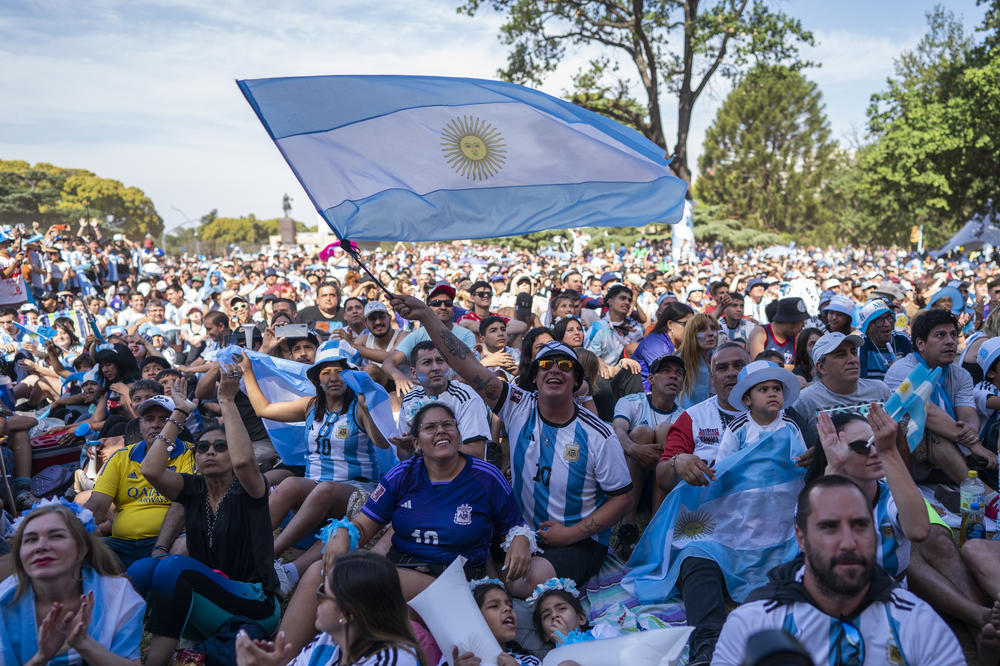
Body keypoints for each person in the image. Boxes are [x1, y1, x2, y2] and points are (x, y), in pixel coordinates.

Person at [390, 292, 632, 592]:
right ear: (535, 375)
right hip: (514, 529)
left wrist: (571, 534)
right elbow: (466, 364)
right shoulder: (518, 404)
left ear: (576, 381)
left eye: (565, 366)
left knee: (517, 585)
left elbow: (623, 498)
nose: (554, 369)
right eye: (546, 365)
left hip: (576, 541)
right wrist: (427, 316)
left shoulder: (599, 434)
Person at [711, 476, 963, 666]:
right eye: (829, 527)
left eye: (860, 525)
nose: (848, 543)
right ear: (801, 538)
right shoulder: (752, 625)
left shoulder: (918, 622)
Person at [132, 369, 282, 666]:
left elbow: (243, 460)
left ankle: (156, 661)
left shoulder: (248, 489)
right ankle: (118, 648)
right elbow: (150, 470)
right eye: (202, 448)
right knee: (141, 570)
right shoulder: (193, 488)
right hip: (207, 600)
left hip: (254, 605)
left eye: (220, 446)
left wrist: (226, 398)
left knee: (174, 567)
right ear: (196, 459)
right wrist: (179, 413)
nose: (210, 452)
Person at [241, 343, 391, 575]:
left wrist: (367, 409)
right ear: (317, 380)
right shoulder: (310, 405)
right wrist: (248, 372)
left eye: (340, 372)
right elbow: (263, 409)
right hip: (316, 488)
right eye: (325, 372)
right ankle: (243, 546)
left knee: (325, 490)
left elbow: (382, 444)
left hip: (357, 491)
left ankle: (265, 556)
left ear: (351, 375)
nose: (333, 378)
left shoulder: (358, 407)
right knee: (290, 483)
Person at [0, 499, 145, 665]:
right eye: (30, 539)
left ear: (82, 548)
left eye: (56, 536)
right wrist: (41, 658)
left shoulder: (117, 596)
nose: (40, 546)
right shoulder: (3, 601)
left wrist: (85, 645)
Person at [236, 552, 423, 666]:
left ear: (348, 613)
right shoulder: (330, 640)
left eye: (324, 592)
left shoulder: (393, 661)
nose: (316, 597)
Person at [810, 406, 930, 582]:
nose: (874, 453)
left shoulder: (893, 495)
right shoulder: (812, 500)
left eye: (876, 443)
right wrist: (834, 467)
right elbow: (822, 545)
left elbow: (919, 531)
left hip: (888, 601)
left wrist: (889, 452)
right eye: (861, 447)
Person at [884, 309, 998, 483]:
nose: (950, 341)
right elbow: (927, 413)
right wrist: (973, 444)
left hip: (952, 448)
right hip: (909, 454)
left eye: (953, 335)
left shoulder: (960, 375)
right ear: (920, 344)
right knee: (928, 429)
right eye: (940, 335)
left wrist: (971, 430)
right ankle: (984, 494)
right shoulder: (902, 370)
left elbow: (967, 413)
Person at [83, 394, 195, 568]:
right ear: (140, 425)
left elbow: (184, 504)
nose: (156, 425)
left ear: (177, 425)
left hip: (171, 541)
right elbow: (97, 505)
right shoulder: (121, 457)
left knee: (187, 544)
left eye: (165, 419)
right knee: (80, 552)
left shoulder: (190, 454)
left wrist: (160, 547)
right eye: (149, 419)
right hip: (120, 544)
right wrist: (72, 533)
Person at [612, 353, 684, 556]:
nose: (673, 376)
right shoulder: (632, 401)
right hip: (630, 481)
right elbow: (617, 430)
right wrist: (635, 449)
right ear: (651, 378)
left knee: (665, 430)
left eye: (679, 373)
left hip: (664, 484)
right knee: (641, 433)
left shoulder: (683, 416)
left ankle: (656, 525)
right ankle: (628, 525)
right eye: (666, 371)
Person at [656, 343, 749, 494]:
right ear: (712, 378)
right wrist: (677, 462)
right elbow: (662, 479)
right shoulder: (692, 418)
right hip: (708, 512)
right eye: (722, 368)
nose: (731, 373)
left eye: (738, 365)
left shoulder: (780, 414)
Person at [397, 341, 492, 459]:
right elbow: (403, 457)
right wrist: (407, 447)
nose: (435, 368)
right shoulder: (410, 400)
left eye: (440, 361)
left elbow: (477, 454)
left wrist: (426, 442)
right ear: (413, 373)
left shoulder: (466, 397)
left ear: (448, 366)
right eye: (427, 363)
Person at [383, 282, 477, 396]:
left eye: (448, 303)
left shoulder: (466, 334)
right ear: (427, 308)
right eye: (437, 303)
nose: (443, 307)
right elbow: (388, 362)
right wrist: (398, 376)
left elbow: (473, 367)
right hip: (425, 394)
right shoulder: (417, 335)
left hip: (458, 393)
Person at [715, 360, 805, 463]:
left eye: (776, 389)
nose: (772, 394)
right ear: (747, 399)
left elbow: (801, 459)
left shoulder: (790, 426)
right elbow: (724, 463)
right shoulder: (738, 428)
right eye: (763, 390)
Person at [452, 578, 541, 666]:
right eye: (494, 606)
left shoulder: (530, 662)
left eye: (510, 605)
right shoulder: (462, 660)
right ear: (476, 617)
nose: (508, 608)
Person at [746, 297, 810, 369]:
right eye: (801, 322)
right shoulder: (760, 333)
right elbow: (759, 367)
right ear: (790, 321)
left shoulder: (795, 337)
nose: (803, 325)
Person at [857, 299, 912, 381]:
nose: (887, 324)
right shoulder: (861, 344)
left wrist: (902, 368)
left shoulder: (902, 339)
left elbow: (920, 369)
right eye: (879, 320)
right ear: (867, 328)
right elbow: (861, 384)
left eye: (889, 318)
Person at [677, 313, 716, 408]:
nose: (710, 333)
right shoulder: (679, 362)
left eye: (713, 328)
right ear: (691, 334)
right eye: (702, 329)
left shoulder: (721, 358)